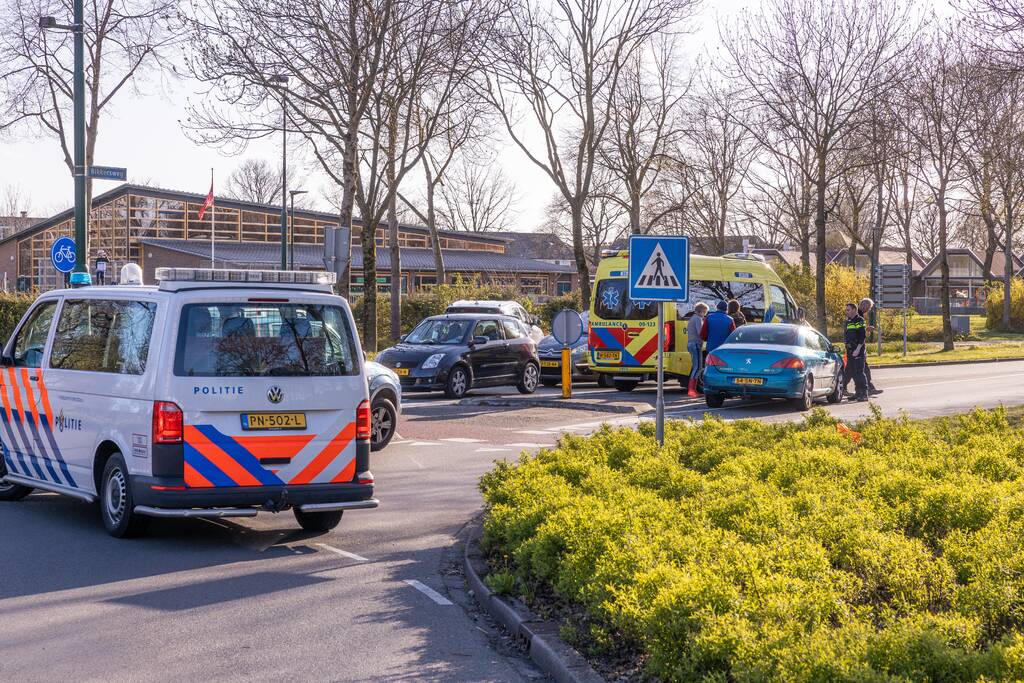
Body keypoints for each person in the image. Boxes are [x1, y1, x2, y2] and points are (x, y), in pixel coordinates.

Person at [843, 302, 868, 401]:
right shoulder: (849, 321)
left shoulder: (859, 320)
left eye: (848, 310)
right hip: (850, 350)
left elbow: (862, 336)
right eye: (846, 310)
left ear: (854, 309)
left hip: (858, 350)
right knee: (853, 372)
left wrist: (858, 349)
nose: (846, 312)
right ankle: (858, 393)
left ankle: (864, 394)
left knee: (859, 372)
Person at [686, 302, 709, 397]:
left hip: (691, 343)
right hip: (695, 344)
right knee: (698, 367)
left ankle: (692, 389)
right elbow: (701, 332)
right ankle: (691, 390)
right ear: (702, 311)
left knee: (696, 366)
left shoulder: (693, 318)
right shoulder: (698, 319)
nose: (705, 314)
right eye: (705, 312)